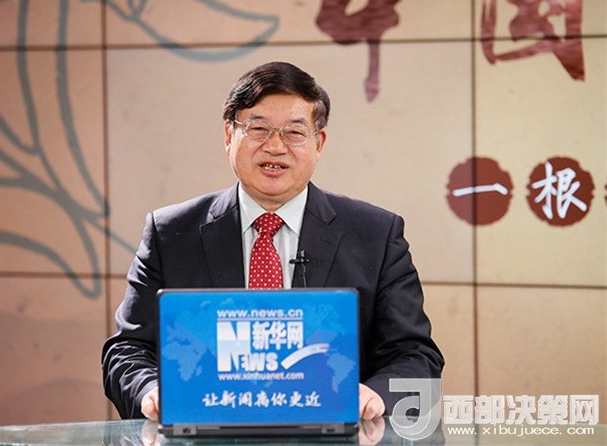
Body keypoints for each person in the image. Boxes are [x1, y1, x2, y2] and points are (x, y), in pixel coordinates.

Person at [102, 61, 444, 422]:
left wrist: (374, 396)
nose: (275, 146)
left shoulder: (376, 234)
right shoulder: (170, 233)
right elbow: (127, 350)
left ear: (319, 143)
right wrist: (150, 391)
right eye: (258, 129)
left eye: (294, 132)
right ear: (229, 136)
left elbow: (417, 356)